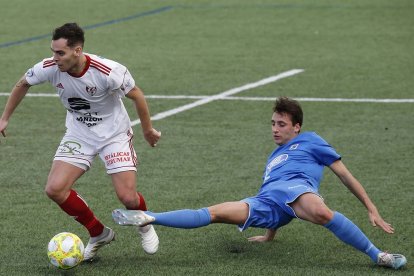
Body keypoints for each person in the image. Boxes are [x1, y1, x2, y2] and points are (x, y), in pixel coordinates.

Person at [112, 97, 407, 269]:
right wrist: (269, 235)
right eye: (272, 123)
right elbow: (274, 193)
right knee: (212, 213)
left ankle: (377, 255)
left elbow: (345, 174)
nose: (275, 129)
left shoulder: (311, 141)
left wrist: (371, 208)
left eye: (281, 124)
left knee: (320, 212)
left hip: (298, 190)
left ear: (296, 126)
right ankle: (151, 217)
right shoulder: (273, 157)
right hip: (267, 203)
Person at [0, 23, 161, 261]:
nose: (55, 58)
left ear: (77, 50)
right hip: (79, 135)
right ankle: (99, 233)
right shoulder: (50, 67)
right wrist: (4, 118)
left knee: (128, 197)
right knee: (55, 189)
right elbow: (23, 83)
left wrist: (147, 130)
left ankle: (145, 226)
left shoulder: (108, 71)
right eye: (53, 51)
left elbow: (136, 94)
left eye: (60, 53)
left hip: (114, 135)